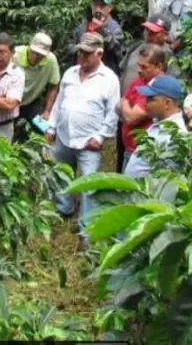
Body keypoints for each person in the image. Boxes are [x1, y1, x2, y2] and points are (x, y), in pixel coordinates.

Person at [46, 32, 120, 249]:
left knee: (89, 185)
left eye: (87, 54)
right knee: (61, 174)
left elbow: (112, 112)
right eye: (80, 52)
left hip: (89, 142)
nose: (82, 57)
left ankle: (86, 228)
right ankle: (64, 209)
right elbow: (60, 102)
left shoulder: (109, 79)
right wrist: (51, 125)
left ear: (99, 54)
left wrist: (100, 137)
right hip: (64, 135)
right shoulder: (70, 73)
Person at [123, 75, 188, 179]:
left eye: (151, 99)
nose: (145, 103)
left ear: (167, 103)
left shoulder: (174, 136)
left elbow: (169, 180)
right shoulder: (159, 123)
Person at [117, 45, 167, 172]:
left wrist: (124, 102)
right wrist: (125, 103)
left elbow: (131, 117)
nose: (139, 70)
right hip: (129, 148)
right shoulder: (139, 80)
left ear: (159, 67)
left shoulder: (160, 88)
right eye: (139, 65)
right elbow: (117, 107)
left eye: (145, 67)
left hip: (144, 153)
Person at [13, 32, 61, 141]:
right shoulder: (15, 55)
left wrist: (47, 111)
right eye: (34, 52)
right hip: (12, 101)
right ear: (29, 47)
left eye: (40, 55)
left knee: (46, 130)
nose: (36, 57)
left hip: (32, 102)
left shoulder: (51, 61)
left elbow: (54, 85)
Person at [71, 0, 124, 76]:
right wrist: (80, 50)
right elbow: (71, 44)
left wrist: (103, 32)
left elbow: (118, 52)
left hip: (104, 75)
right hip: (81, 72)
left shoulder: (114, 28)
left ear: (109, 8)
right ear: (91, 6)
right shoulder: (83, 26)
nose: (98, 9)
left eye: (102, 6)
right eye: (95, 5)